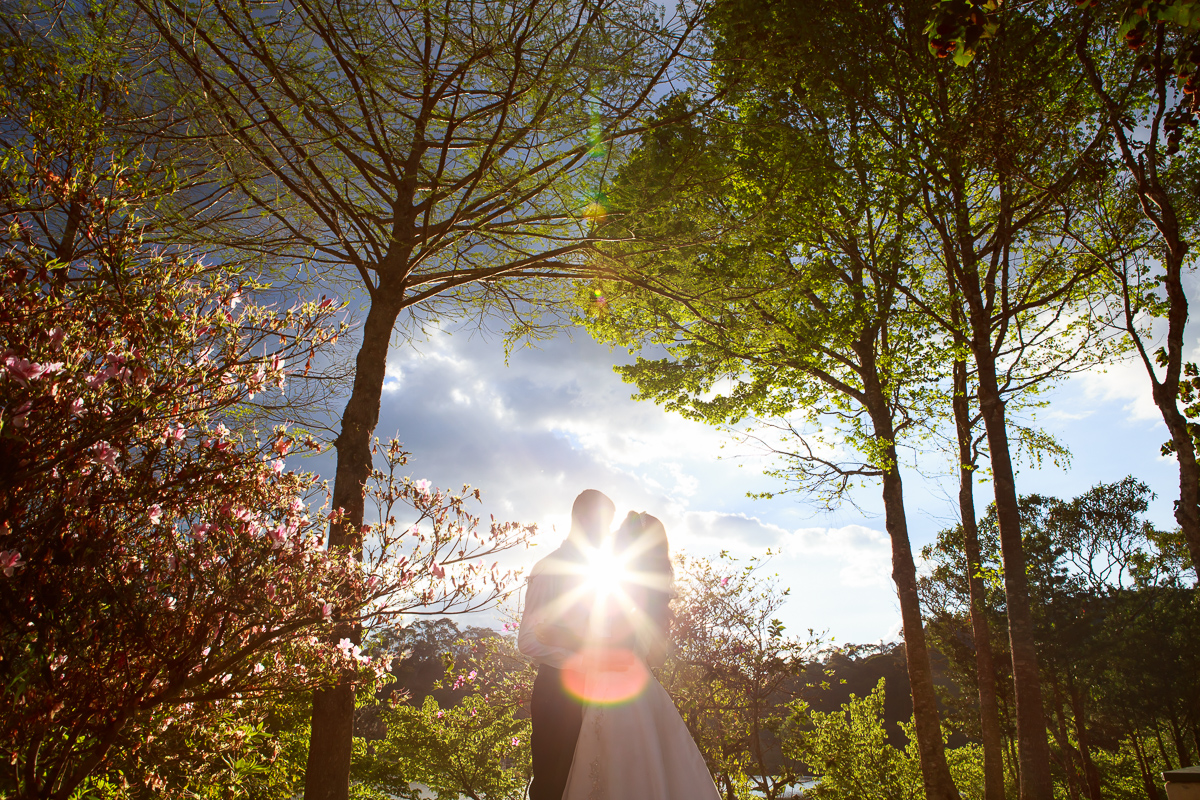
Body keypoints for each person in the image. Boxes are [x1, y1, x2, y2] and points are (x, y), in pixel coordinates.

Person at [559, 512, 722, 800]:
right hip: (642, 693)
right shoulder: (655, 594)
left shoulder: (621, 588)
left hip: (619, 700)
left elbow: (616, 651)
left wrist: (568, 637)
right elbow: (656, 657)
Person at [517, 489, 616, 800]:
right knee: (552, 786)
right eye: (603, 523)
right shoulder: (548, 568)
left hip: (598, 698)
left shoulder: (602, 573)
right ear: (581, 519)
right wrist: (583, 661)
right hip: (556, 696)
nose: (607, 532)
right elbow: (527, 640)